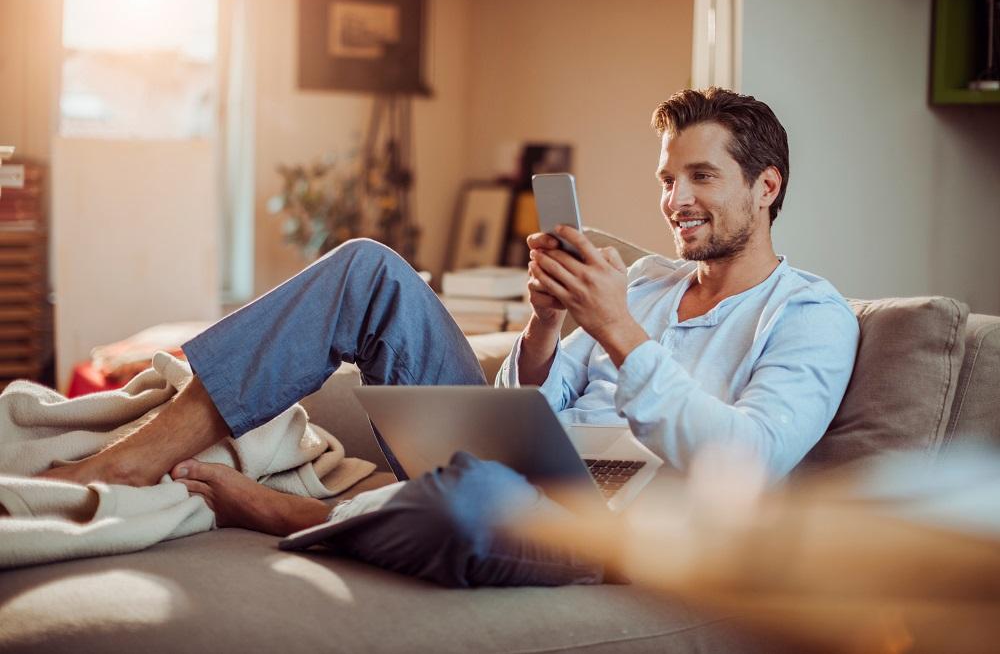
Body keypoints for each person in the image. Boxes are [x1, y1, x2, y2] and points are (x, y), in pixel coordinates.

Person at [41, 87, 859, 587]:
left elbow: (747, 463)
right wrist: (545, 325)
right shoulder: (649, 281)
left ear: (767, 185)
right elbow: (524, 411)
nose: (675, 199)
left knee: (478, 501)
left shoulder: (809, 316)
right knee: (368, 267)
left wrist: (615, 329)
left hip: (610, 522)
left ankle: (298, 514)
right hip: (530, 466)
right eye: (667, 179)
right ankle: (130, 461)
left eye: (701, 177)